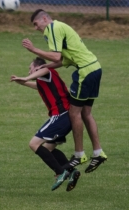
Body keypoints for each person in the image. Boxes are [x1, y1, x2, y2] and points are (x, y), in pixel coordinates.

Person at [21, 9, 107, 173]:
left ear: (45, 18)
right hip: (95, 68)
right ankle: (98, 152)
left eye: (35, 23)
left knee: (74, 112)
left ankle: (79, 154)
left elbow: (55, 56)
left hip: (84, 72)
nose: (35, 28)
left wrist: (33, 49)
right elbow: (60, 61)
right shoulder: (60, 27)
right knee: (86, 113)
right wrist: (44, 66)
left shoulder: (52, 28)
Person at [10, 57, 80, 192]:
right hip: (66, 116)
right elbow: (39, 86)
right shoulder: (47, 79)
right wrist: (23, 82)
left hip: (61, 115)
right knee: (48, 148)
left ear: (38, 68)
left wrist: (26, 77)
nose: (30, 71)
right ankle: (71, 171)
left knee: (34, 144)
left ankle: (61, 172)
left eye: (31, 69)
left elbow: (45, 69)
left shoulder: (46, 70)